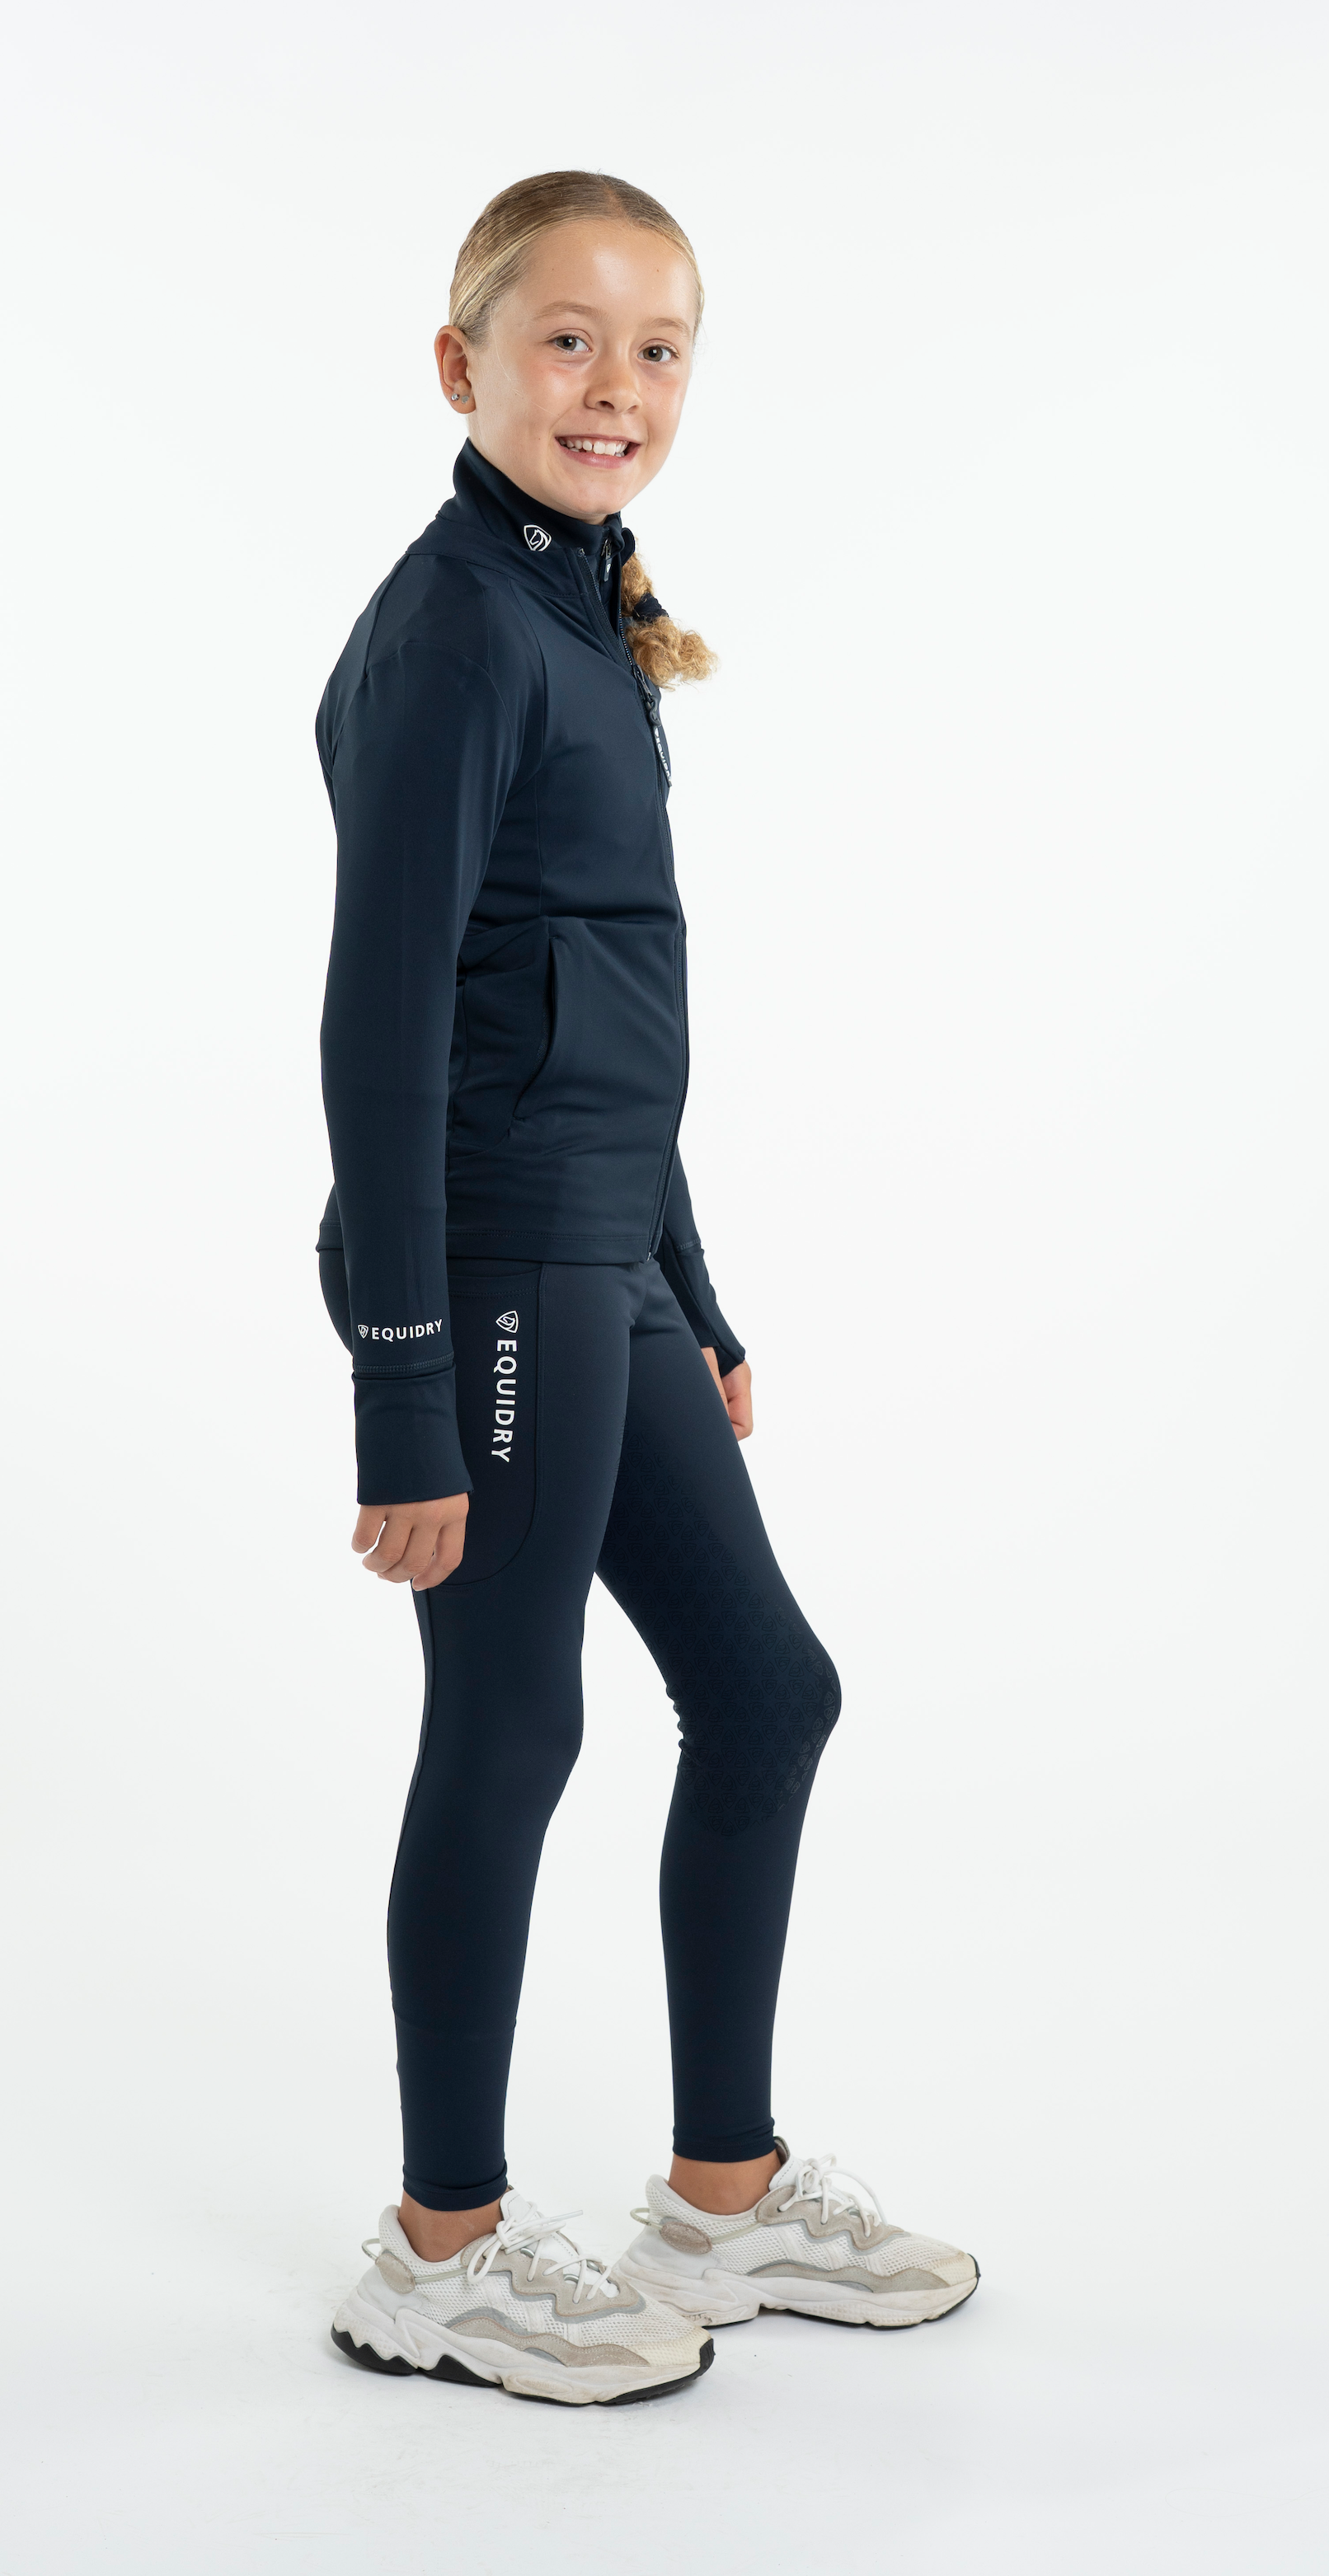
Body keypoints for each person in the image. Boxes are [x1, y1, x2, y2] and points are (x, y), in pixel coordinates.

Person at [316, 171, 977, 2406]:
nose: (615, 386)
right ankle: (440, 2250)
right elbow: (383, 1031)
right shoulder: (451, 634)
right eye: (567, 338)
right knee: (514, 1723)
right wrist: (403, 1384)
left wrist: (691, 1286)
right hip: (489, 1261)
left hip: (601, 1254)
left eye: (658, 347)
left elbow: (597, 998)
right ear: (463, 363)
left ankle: (722, 2194)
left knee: (767, 1692)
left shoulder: (582, 608)